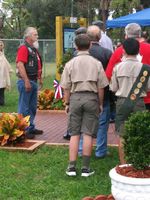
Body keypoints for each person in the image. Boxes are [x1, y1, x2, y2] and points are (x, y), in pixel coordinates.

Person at [61, 34, 108, 177]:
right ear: (90, 45)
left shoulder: (70, 64)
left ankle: (71, 167)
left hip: (75, 98)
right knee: (88, 133)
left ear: (75, 46)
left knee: (74, 134)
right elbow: (101, 87)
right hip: (91, 97)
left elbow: (66, 87)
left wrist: (67, 103)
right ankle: (86, 169)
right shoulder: (97, 63)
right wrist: (100, 104)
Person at [110, 38, 150, 164]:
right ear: (138, 50)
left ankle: (123, 164)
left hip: (122, 102)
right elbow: (149, 87)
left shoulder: (118, 67)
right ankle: (139, 163)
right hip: (139, 102)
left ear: (124, 50)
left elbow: (113, 88)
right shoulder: (145, 68)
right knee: (140, 133)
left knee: (122, 135)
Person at [79, 25, 112, 159]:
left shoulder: (78, 54)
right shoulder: (107, 53)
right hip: (102, 92)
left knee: (83, 123)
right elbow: (110, 75)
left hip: (82, 92)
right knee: (103, 123)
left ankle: (81, 149)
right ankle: (100, 150)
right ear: (99, 37)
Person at [106, 23, 150, 111]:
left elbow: (108, 75)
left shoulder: (119, 51)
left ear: (126, 35)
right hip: (146, 98)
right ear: (140, 34)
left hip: (124, 98)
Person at [16, 27, 43, 139]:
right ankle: (23, 130)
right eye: (35, 35)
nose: (37, 37)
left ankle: (30, 127)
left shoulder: (33, 49)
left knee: (32, 107)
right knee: (24, 107)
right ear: (28, 36)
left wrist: (39, 78)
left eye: (37, 34)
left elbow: (37, 64)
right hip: (26, 81)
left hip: (33, 80)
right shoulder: (23, 48)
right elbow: (20, 64)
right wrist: (26, 81)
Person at [63, 26, 87, 140]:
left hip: (76, 88)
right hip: (88, 90)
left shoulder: (76, 53)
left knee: (74, 115)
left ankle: (70, 132)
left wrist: (66, 102)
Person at [92, 20, 116, 123]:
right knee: (108, 99)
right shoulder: (108, 39)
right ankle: (110, 116)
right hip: (107, 70)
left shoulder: (97, 39)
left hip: (97, 72)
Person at [0, 40, 13, 106]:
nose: (1, 46)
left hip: (2, 75)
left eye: (2, 45)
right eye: (0, 45)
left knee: (2, 89)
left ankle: (2, 102)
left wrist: (9, 69)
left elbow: (5, 62)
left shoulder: (2, 54)